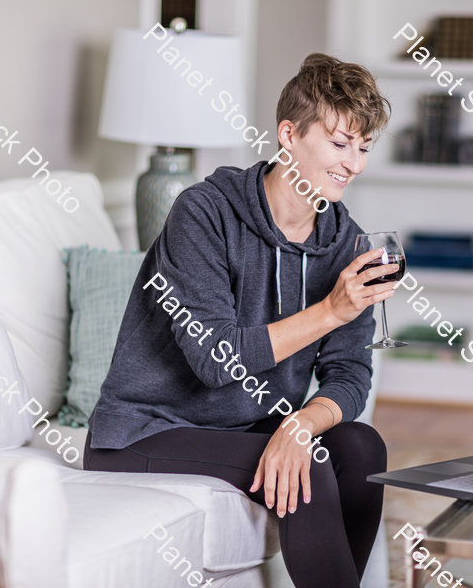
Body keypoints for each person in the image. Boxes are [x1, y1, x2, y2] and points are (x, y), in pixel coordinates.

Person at [84, 52, 395, 588]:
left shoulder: (346, 241)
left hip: (249, 426)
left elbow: (350, 374)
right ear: (289, 135)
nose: (355, 163)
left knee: (362, 447)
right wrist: (329, 311)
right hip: (147, 430)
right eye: (340, 143)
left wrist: (301, 423)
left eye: (364, 147)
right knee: (311, 470)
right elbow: (215, 358)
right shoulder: (202, 213)